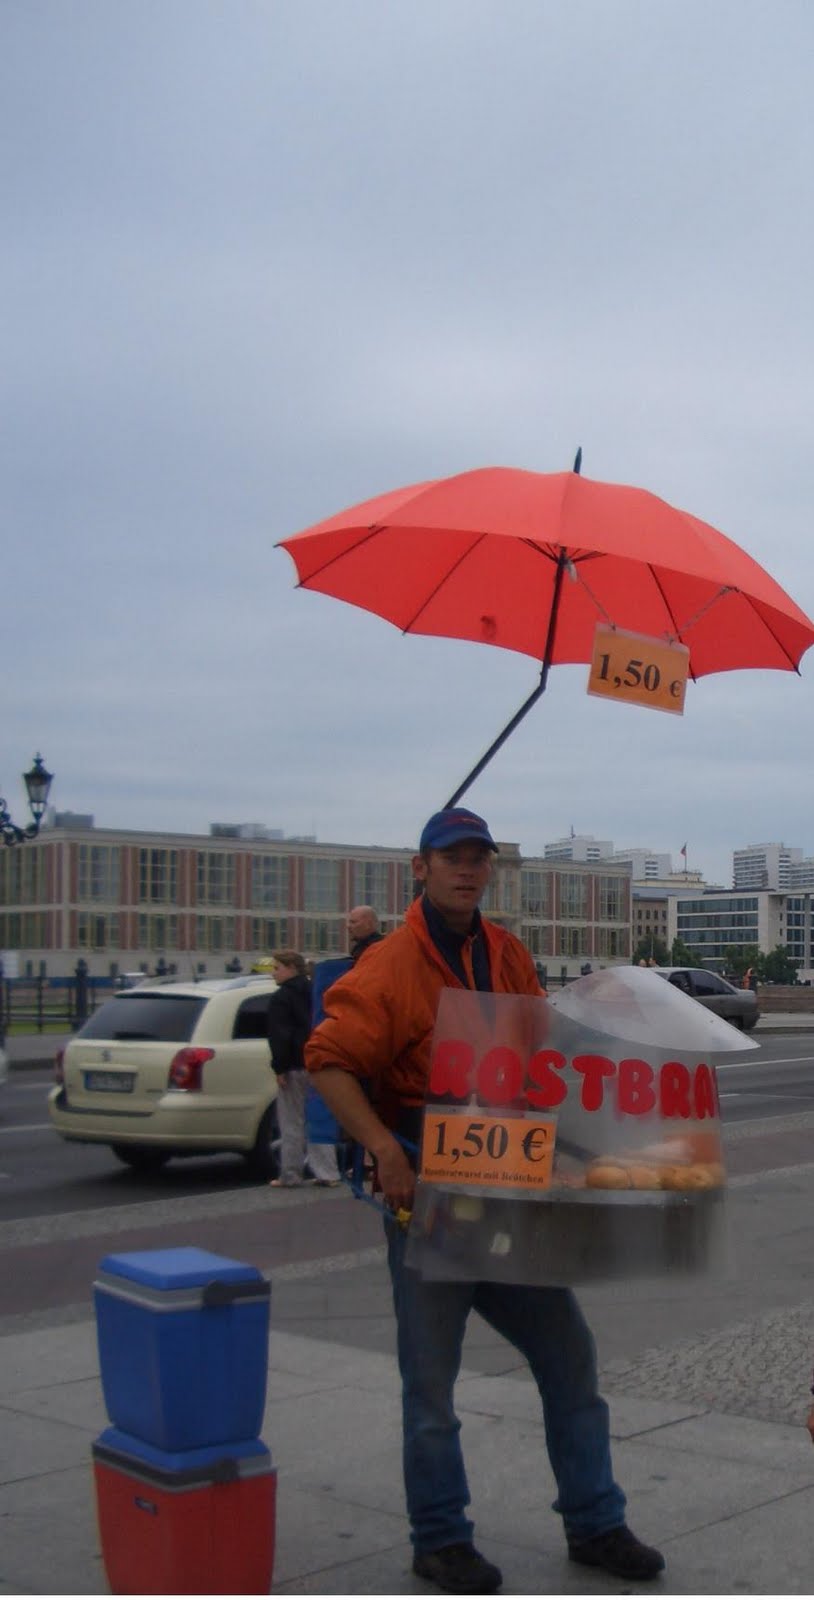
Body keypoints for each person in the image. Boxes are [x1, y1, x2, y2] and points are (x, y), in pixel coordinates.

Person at [306, 807, 664, 1594]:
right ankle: (440, 1539)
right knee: (431, 1383)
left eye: (479, 858)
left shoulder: (507, 953)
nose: (468, 869)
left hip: (503, 1189)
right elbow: (327, 1060)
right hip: (428, 1193)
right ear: (421, 867)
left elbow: (535, 1058)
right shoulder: (391, 964)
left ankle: (594, 1521)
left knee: (568, 1357)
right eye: (452, 857)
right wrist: (382, 1149)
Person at [267, 950, 340, 1188]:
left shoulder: (281, 998)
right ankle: (327, 1172)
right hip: (318, 1063)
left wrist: (279, 1068)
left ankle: (291, 1174)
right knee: (318, 1118)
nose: (273, 973)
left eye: (277, 968)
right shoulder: (315, 991)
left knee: (291, 1121)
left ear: (291, 968)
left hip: (294, 1065)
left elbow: (280, 1035)